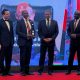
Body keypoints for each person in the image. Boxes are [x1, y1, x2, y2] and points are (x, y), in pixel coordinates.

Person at [38, 10, 59, 75]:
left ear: (50, 14)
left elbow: (56, 32)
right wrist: (43, 38)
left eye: (48, 14)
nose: (47, 15)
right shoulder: (41, 22)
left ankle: (50, 70)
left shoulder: (55, 22)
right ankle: (40, 70)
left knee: (51, 56)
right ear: (44, 15)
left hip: (51, 42)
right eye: (46, 14)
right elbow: (39, 32)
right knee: (42, 56)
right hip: (43, 42)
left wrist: (52, 38)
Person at [16, 10, 35, 76]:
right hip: (23, 42)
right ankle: (22, 71)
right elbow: (17, 32)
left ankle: (27, 71)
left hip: (29, 42)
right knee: (23, 57)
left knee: (28, 57)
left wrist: (33, 35)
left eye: (27, 13)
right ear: (22, 14)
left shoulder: (30, 21)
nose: (26, 14)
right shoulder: (19, 22)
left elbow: (33, 30)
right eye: (25, 13)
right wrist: (26, 35)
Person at [0, 9, 14, 76]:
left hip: (10, 43)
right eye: (7, 14)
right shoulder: (0, 22)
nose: (8, 15)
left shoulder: (11, 21)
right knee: (1, 58)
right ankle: (2, 71)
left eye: (9, 14)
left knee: (9, 58)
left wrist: (13, 42)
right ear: (3, 14)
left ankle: (7, 71)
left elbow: (11, 33)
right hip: (2, 44)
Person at [66, 10, 80, 75]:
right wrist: (70, 35)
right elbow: (68, 30)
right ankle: (69, 70)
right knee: (71, 57)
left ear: (79, 15)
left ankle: (79, 70)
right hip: (72, 43)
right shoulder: (71, 22)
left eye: (76, 14)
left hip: (79, 43)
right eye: (74, 14)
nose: (75, 15)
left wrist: (76, 35)